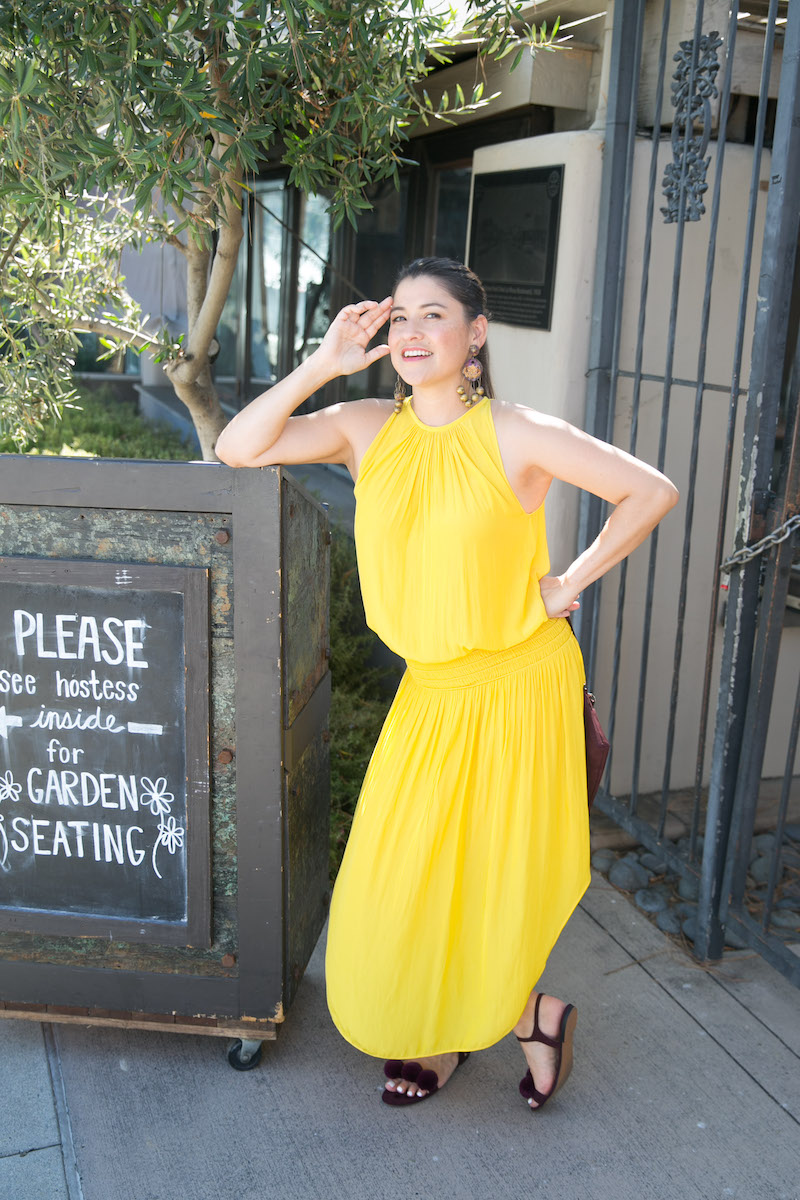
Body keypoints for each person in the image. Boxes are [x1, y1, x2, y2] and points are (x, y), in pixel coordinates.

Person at [215, 257, 679, 1110]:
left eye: (436, 316)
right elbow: (237, 447)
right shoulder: (363, 426)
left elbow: (648, 491)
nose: (413, 333)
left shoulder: (518, 431)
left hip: (516, 683)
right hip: (431, 690)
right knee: (402, 881)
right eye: (401, 319)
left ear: (477, 335)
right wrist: (324, 363)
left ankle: (453, 1035)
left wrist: (567, 583)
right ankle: (531, 1015)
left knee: (491, 875)